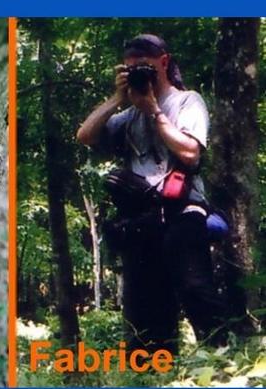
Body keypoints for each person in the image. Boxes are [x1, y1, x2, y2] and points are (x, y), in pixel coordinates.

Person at [76, 34, 230, 354]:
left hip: (183, 210)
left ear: (164, 62)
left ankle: (222, 359)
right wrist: (117, 99)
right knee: (143, 304)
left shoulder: (188, 101)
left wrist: (155, 112)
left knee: (194, 288)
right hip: (141, 217)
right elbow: (85, 136)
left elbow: (190, 153)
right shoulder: (128, 115)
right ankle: (149, 374)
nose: (140, 76)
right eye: (132, 70)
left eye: (145, 68)